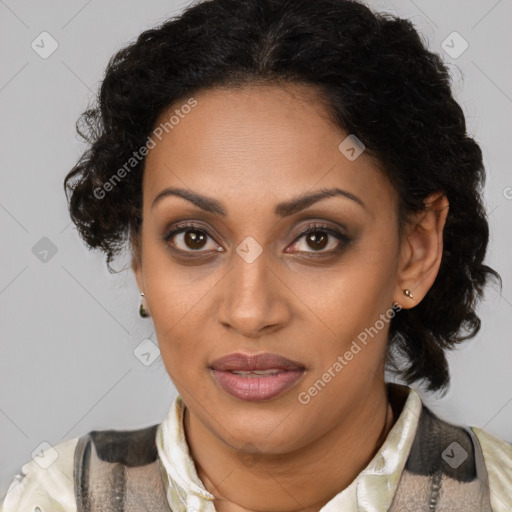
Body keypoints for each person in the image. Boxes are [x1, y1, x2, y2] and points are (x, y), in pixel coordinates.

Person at [2, 0, 511, 510]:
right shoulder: (54, 498)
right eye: (194, 238)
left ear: (415, 252)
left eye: (317, 239)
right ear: (139, 257)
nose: (249, 312)